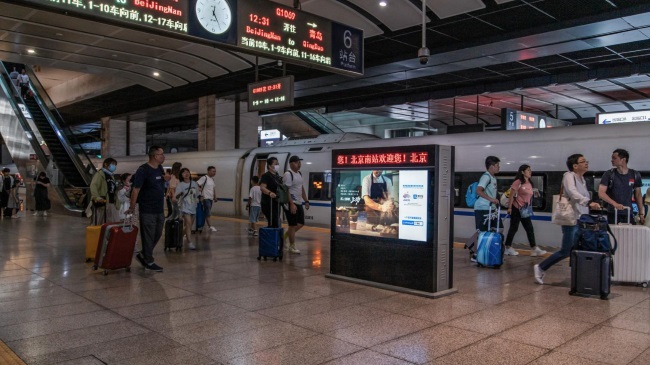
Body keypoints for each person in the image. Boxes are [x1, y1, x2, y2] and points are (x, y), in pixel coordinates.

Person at [534, 154, 601, 284]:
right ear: (575, 166)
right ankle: (541, 267)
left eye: (586, 161)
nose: (586, 163)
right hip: (571, 220)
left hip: (582, 220)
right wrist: (588, 202)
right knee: (566, 250)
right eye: (583, 161)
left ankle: (580, 276)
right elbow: (572, 192)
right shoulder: (569, 176)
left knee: (579, 249)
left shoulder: (582, 179)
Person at [126, 146, 166, 272]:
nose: (163, 156)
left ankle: (144, 254)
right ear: (155, 156)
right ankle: (148, 261)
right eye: (161, 154)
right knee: (148, 235)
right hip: (147, 209)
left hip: (159, 208)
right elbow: (136, 190)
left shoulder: (159, 168)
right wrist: (132, 207)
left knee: (158, 233)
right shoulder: (143, 170)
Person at [505, 165, 547, 257]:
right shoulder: (518, 182)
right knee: (513, 228)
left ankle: (534, 248)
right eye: (528, 170)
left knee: (529, 228)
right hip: (516, 208)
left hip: (525, 209)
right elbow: (511, 195)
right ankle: (507, 248)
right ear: (522, 172)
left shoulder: (529, 183)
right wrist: (509, 208)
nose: (530, 171)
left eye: (530, 170)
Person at [598, 149, 645, 225]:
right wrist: (615, 204)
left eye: (614, 158)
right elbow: (601, 193)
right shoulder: (609, 174)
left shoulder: (635, 175)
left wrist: (641, 213)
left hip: (628, 212)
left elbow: (638, 195)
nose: (612, 160)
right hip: (613, 212)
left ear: (623, 159)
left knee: (629, 235)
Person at [474, 156, 509, 251]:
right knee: (482, 232)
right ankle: (477, 253)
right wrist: (491, 199)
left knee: (499, 228)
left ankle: (491, 249)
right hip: (483, 208)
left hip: (492, 208)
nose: (499, 167)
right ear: (491, 166)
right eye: (497, 165)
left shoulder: (493, 178)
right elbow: (478, 190)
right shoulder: (486, 177)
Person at [283, 156, 310, 254]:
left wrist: (306, 200)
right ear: (291, 163)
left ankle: (284, 237)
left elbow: (301, 188)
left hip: (298, 202)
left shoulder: (299, 173)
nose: (299, 164)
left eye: (299, 162)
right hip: (291, 202)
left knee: (301, 223)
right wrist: (291, 203)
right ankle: (292, 246)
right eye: (296, 162)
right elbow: (286, 190)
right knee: (292, 224)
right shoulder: (288, 174)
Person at [89, 158, 120, 223]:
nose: (114, 166)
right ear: (106, 164)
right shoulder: (100, 174)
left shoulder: (111, 176)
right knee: (102, 222)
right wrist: (96, 197)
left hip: (111, 203)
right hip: (103, 203)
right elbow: (94, 186)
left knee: (111, 223)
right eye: (112, 164)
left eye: (115, 165)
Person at [175, 168, 199, 250]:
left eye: (187, 172)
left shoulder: (194, 183)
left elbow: (197, 194)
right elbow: (175, 197)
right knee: (188, 224)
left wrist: (201, 198)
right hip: (185, 208)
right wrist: (179, 194)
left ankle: (178, 237)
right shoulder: (180, 185)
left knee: (189, 226)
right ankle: (189, 242)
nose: (186, 174)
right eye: (184, 173)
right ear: (181, 175)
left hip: (193, 207)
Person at [259, 157, 283, 229]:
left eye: (278, 164)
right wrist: (270, 193)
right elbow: (262, 187)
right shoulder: (266, 176)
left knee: (275, 222)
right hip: (268, 203)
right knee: (273, 221)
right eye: (275, 164)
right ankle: (272, 238)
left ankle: (274, 238)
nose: (277, 165)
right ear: (269, 166)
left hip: (276, 203)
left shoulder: (277, 176)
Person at [197, 166, 218, 232]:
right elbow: (196, 184)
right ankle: (210, 226)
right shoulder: (204, 178)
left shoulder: (212, 179)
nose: (214, 172)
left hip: (210, 198)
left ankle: (201, 225)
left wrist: (215, 197)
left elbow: (213, 188)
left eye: (215, 171)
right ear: (208, 171)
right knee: (208, 212)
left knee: (206, 212)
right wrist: (200, 191)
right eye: (213, 171)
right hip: (205, 198)